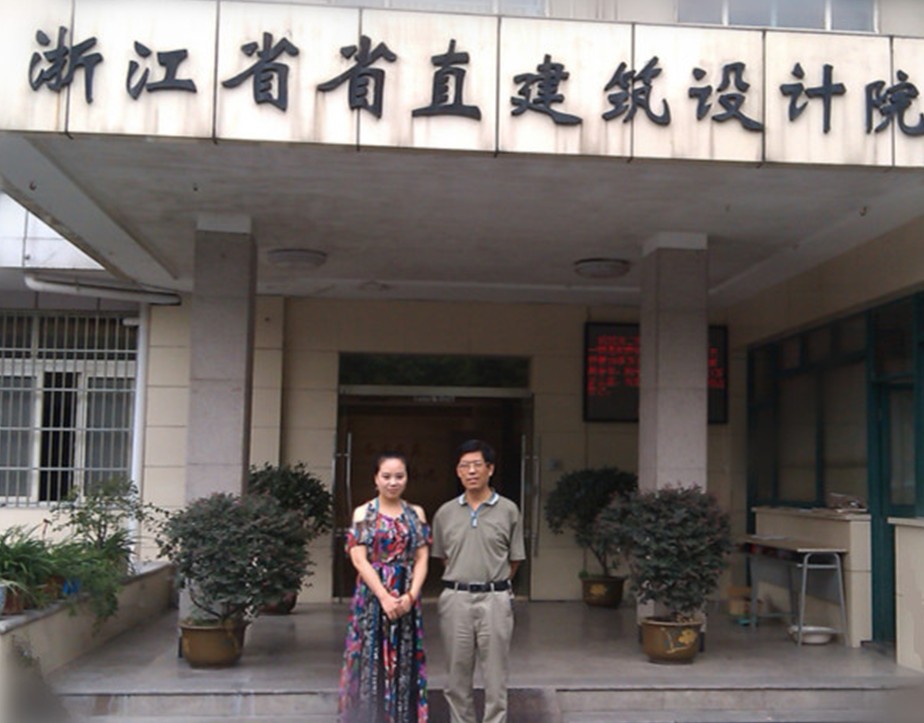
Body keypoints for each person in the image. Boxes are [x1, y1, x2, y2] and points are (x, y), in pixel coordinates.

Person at [431, 439, 526, 723]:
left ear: (490, 469)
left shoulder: (508, 510)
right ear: (457, 471)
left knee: (496, 675)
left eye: (477, 465)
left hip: (495, 599)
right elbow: (443, 556)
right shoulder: (445, 513)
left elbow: (515, 559)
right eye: (464, 466)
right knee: (456, 675)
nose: (471, 471)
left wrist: (493, 584)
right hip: (456, 599)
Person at [339, 451, 430, 723]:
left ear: (407, 478)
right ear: (375, 479)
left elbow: (422, 558)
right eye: (386, 476)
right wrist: (384, 596)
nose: (393, 482)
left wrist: (410, 596)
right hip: (372, 597)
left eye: (399, 476)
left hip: (406, 597)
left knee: (405, 658)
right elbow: (359, 559)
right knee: (370, 658)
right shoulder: (364, 513)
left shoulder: (415, 513)